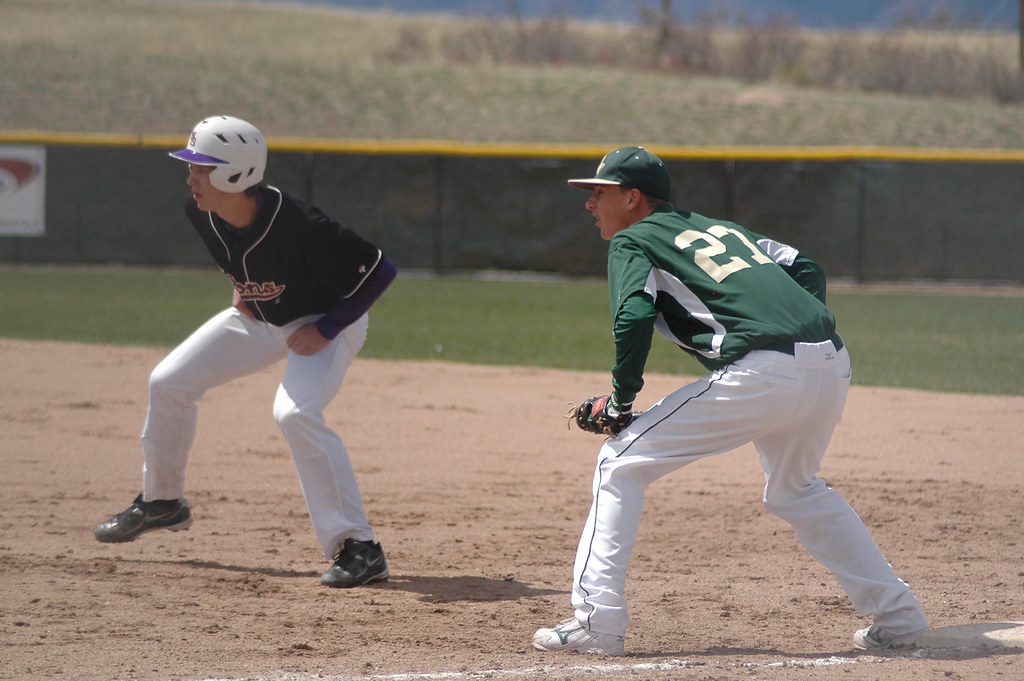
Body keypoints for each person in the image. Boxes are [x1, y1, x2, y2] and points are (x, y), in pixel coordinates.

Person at [532, 147, 928, 655]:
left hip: (763, 372)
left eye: (599, 193)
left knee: (619, 463)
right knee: (796, 489)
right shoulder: (725, 231)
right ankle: (900, 617)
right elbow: (804, 266)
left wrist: (619, 402)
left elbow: (633, 316)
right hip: (830, 361)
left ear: (632, 198)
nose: (590, 204)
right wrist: (792, 334)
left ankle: (596, 622)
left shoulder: (634, 239)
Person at [94, 115, 396, 589]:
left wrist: (327, 327)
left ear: (235, 175)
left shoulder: (301, 225)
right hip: (261, 319)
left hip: (326, 324)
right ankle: (163, 502)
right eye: (191, 166)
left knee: (295, 414)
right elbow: (240, 258)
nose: (190, 177)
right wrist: (244, 290)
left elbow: (379, 271)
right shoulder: (200, 211)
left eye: (201, 168)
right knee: (168, 382)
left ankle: (360, 547)